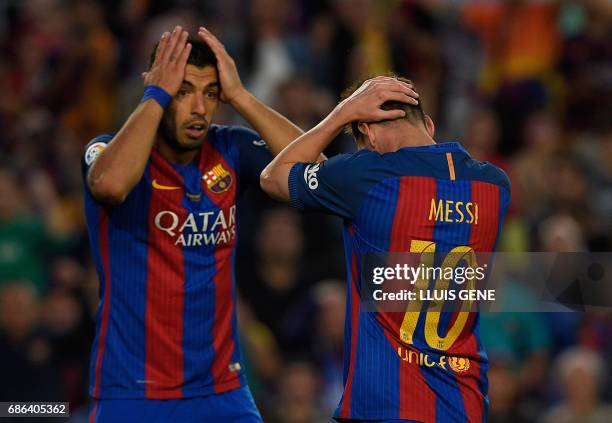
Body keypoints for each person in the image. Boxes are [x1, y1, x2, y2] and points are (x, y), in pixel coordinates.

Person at [82, 26, 310, 422]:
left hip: (223, 393)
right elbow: (110, 185)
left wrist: (240, 95)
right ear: (154, 89)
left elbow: (316, 175)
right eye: (183, 91)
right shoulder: (108, 150)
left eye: (210, 93)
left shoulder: (229, 148)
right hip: (134, 393)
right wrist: (156, 94)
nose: (200, 109)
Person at [261, 75, 510, 422]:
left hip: (385, 406)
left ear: (369, 132)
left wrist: (340, 114)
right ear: (429, 125)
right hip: (463, 405)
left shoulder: (367, 176)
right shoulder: (495, 186)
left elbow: (273, 177)